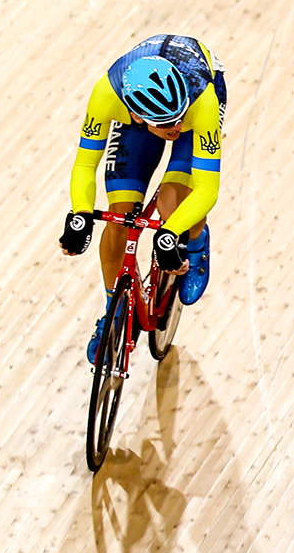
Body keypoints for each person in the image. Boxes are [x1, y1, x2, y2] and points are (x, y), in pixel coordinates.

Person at [61, 35, 227, 362]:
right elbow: (84, 163)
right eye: (167, 123)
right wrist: (80, 214)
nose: (176, 127)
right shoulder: (106, 97)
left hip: (201, 89)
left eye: (177, 118)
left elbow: (208, 188)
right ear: (136, 116)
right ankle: (114, 312)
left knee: (173, 201)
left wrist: (172, 232)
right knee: (119, 217)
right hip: (140, 112)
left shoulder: (199, 104)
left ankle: (196, 241)